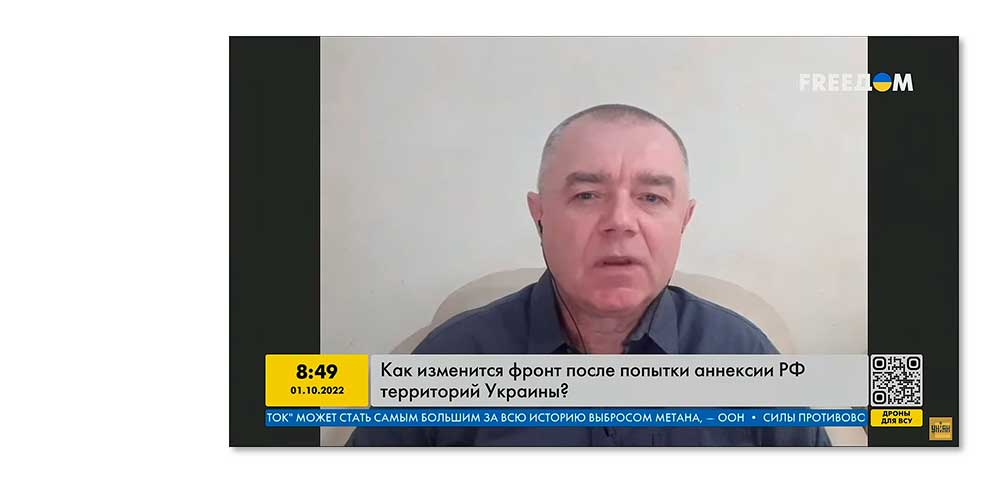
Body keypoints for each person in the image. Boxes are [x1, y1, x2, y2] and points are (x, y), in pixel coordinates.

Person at [348, 103, 830, 446]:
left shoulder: (745, 356)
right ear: (539, 215)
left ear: (684, 220)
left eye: (652, 198)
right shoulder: (452, 357)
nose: (620, 221)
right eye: (587, 196)